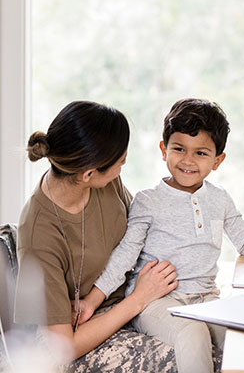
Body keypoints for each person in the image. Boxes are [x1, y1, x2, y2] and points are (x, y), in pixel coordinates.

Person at [80, 98, 244, 373]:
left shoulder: (219, 199)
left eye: (200, 153)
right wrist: (91, 302)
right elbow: (124, 255)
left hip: (206, 299)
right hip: (157, 303)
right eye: (179, 148)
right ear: (164, 150)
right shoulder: (147, 201)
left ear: (218, 160)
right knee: (192, 332)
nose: (188, 160)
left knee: (243, 335)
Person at [13, 101, 179, 371]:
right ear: (89, 173)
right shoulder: (38, 236)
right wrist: (138, 298)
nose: (122, 168)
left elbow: (139, 231)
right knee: (192, 359)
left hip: (125, 303)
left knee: (219, 343)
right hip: (77, 337)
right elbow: (64, 346)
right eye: (120, 163)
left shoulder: (103, 180)